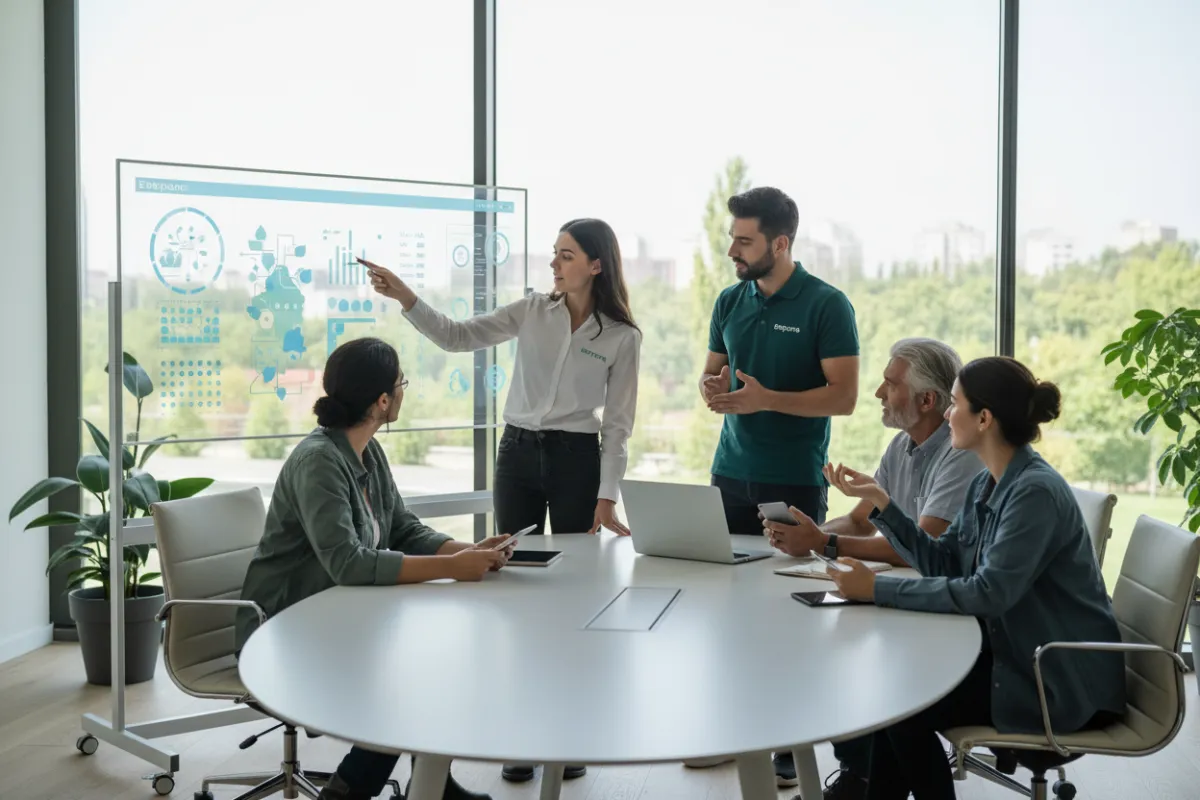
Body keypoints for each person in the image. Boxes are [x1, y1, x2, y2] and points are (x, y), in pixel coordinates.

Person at [363, 217, 641, 784]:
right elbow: (456, 336)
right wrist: (407, 296)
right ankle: (520, 734)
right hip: (517, 453)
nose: (554, 263)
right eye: (554, 253)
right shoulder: (531, 311)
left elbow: (618, 426)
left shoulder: (621, 337)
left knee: (572, 597)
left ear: (596, 265)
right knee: (512, 580)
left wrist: (606, 497)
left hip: (577, 460)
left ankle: (566, 734)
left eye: (566, 255)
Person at [815, 357, 1126, 800]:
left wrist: (876, 587)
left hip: (1056, 681)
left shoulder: (1034, 493)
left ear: (984, 418)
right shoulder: (988, 484)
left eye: (955, 403)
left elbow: (988, 593)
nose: (946, 414)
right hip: (1018, 657)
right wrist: (884, 505)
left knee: (901, 704)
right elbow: (944, 562)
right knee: (893, 693)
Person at [235, 337, 514, 800]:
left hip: (342, 615)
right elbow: (347, 562)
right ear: (382, 401)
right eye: (401, 383)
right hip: (285, 627)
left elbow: (401, 527)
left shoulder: (368, 451)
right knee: (413, 674)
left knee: (433, 661)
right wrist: (452, 566)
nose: (404, 390)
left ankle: (430, 785)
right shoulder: (319, 463)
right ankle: (351, 791)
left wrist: (469, 551)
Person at [762, 338, 983, 798]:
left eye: (890, 383)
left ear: (928, 400)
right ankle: (857, 772)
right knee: (831, 644)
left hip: (948, 619)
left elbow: (921, 547)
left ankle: (859, 775)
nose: (879, 393)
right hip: (915, 601)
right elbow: (863, 519)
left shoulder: (961, 454)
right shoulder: (901, 446)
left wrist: (825, 542)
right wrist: (811, 532)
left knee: (870, 676)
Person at [696, 186, 860, 787]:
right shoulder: (728, 300)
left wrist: (768, 400)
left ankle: (790, 744)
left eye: (744, 241)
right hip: (728, 474)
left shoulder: (827, 305)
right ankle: (734, 735)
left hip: (792, 480)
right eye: (732, 239)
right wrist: (712, 388)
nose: (733, 251)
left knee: (788, 618)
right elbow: (712, 371)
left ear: (780, 243)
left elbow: (843, 397)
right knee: (729, 614)